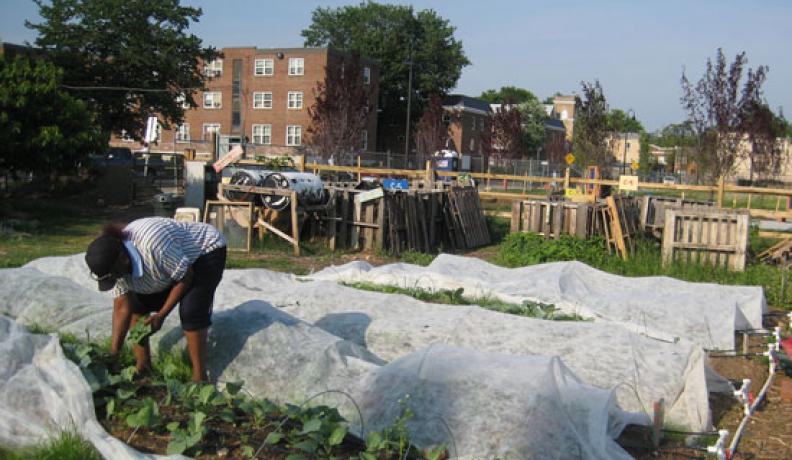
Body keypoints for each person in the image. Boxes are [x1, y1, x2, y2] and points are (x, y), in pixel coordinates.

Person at [85, 217, 227, 381]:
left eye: (115, 275)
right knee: (136, 307)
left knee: (191, 311)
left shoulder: (153, 246)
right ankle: (143, 366)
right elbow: (122, 306)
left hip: (203, 251)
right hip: (172, 262)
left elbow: (185, 277)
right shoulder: (113, 267)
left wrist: (161, 315)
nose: (116, 279)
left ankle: (200, 377)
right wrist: (114, 352)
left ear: (123, 259)